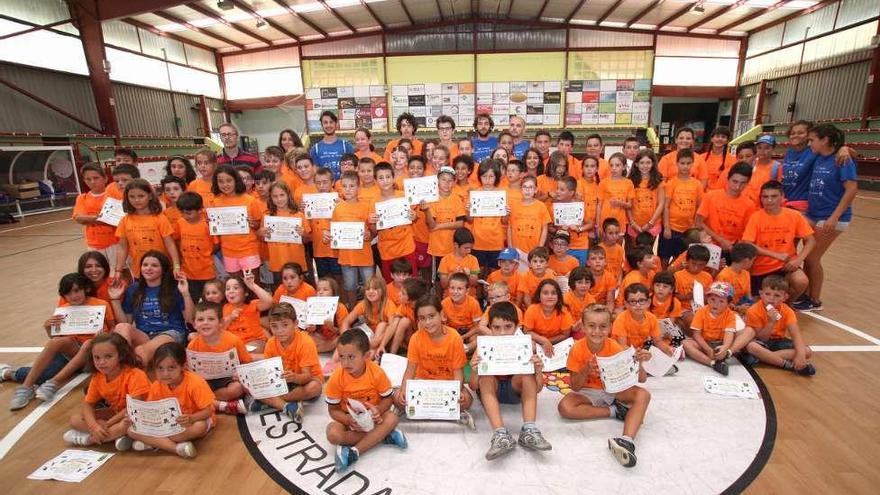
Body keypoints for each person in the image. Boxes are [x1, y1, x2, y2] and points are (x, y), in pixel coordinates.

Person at [558, 303, 651, 468]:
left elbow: (641, 379)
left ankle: (627, 441)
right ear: (583, 327)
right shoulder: (577, 349)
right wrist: (586, 370)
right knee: (565, 407)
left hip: (613, 389)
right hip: (588, 391)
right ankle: (615, 411)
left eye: (603, 327)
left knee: (643, 394)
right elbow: (575, 387)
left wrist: (639, 363)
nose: (597, 331)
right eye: (591, 326)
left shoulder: (616, 347)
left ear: (610, 327)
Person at [8, 273, 115, 410]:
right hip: (74, 352)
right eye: (68, 293)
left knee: (89, 344)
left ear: (85, 289)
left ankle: (53, 383)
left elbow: (112, 327)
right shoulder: (64, 310)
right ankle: (26, 387)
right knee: (56, 342)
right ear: (63, 295)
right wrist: (48, 328)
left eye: (77, 291)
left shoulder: (101, 304)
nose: (74, 296)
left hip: (94, 355)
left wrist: (105, 335)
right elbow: (56, 338)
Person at [468, 302, 551, 461]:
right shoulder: (483, 347)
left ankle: (529, 430)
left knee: (527, 374)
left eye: (508, 326)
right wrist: (474, 370)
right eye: (497, 327)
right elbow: (472, 385)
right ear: (490, 327)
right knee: (485, 377)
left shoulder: (525, 346)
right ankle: (500, 434)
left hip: (515, 391)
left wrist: (538, 370)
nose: (502, 333)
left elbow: (538, 387)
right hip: (492, 391)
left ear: (517, 326)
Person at [326, 330, 408, 473]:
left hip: (374, 417)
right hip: (350, 420)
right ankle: (383, 436)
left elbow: (388, 399)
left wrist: (377, 411)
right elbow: (332, 410)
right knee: (333, 434)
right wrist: (347, 419)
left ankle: (354, 452)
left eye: (351, 357)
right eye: (341, 357)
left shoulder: (376, 372)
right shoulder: (336, 378)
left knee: (393, 418)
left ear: (367, 356)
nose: (345, 363)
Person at [799, 124, 858, 311]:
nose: (810, 144)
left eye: (812, 140)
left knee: (812, 258)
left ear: (824, 140)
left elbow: (851, 189)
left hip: (831, 217)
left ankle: (814, 300)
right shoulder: (819, 157)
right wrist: (844, 147)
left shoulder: (842, 160)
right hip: (814, 214)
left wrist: (834, 216)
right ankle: (806, 294)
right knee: (807, 256)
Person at [395, 295, 475, 428]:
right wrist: (403, 390)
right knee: (397, 397)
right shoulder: (416, 338)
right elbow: (410, 370)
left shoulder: (454, 337)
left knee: (467, 400)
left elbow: (458, 373)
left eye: (431, 316)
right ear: (418, 320)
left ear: (441, 315)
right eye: (422, 318)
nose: (427, 322)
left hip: (447, 385)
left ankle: (436, 409)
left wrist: (457, 391)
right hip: (422, 384)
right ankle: (439, 410)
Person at [126, 342, 213, 457]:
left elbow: (208, 411)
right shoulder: (156, 385)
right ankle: (176, 448)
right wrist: (135, 417)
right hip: (168, 425)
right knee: (131, 430)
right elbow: (150, 409)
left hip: (193, 420)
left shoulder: (195, 383)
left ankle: (155, 443)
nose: (165, 374)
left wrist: (191, 418)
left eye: (171, 368)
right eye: (160, 368)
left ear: (183, 366)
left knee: (199, 427)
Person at [62, 333, 150, 448]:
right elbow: (87, 405)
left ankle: (89, 439)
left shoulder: (135, 375)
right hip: (118, 413)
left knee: (125, 424)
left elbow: (133, 408)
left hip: (141, 414)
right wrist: (94, 426)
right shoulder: (98, 377)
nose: (101, 362)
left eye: (108, 356)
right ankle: (113, 436)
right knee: (75, 419)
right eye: (97, 357)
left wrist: (107, 424)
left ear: (121, 355)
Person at [111, 250, 194, 364]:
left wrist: (185, 293)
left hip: (170, 333)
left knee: (140, 351)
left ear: (163, 270)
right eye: (145, 265)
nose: (148, 268)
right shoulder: (133, 289)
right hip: (145, 334)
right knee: (121, 327)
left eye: (154, 265)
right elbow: (126, 322)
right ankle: (121, 369)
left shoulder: (174, 287)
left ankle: (131, 375)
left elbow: (190, 319)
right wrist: (115, 299)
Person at [741, 181, 815, 301]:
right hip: (760, 268)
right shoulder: (756, 217)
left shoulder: (794, 216)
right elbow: (747, 244)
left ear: (782, 197)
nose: (769, 200)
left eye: (774, 196)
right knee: (759, 306)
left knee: (801, 281)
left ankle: (785, 305)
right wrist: (776, 255)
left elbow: (811, 240)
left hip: (786, 266)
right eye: (765, 197)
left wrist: (798, 259)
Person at [256, 303, 324, 420]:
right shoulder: (271, 343)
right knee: (253, 385)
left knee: (314, 387)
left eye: (285, 325)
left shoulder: (305, 342)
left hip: (304, 380)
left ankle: (270, 402)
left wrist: (295, 377)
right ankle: (287, 406)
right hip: (282, 382)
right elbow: (268, 372)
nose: (280, 331)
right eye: (274, 326)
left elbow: (307, 376)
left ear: (296, 324)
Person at [186, 301, 252, 415]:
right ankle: (222, 405)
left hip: (227, 379)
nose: (205, 323)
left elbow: (247, 362)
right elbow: (191, 371)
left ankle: (207, 402)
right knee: (190, 390)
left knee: (237, 388)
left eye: (211, 319)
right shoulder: (193, 345)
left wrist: (239, 374)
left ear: (221, 322)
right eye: (200, 320)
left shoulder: (233, 340)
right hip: (205, 382)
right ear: (194, 324)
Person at [743, 276, 816, 375]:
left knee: (807, 351)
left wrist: (801, 355)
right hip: (760, 342)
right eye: (767, 294)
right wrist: (771, 322)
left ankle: (765, 358)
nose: (771, 298)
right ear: (761, 294)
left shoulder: (787, 311)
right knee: (752, 346)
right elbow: (762, 338)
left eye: (777, 295)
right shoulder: (753, 310)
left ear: (785, 297)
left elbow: (796, 335)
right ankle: (787, 365)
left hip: (778, 341)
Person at [682, 282, 755, 376]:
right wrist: (708, 349)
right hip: (705, 343)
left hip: (721, 343)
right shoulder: (701, 312)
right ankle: (712, 363)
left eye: (721, 301)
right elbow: (697, 335)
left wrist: (725, 347)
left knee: (750, 331)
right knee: (685, 343)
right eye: (712, 299)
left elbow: (729, 333)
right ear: (707, 299)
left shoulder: (730, 314)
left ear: (728, 303)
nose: (716, 304)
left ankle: (728, 353)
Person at [114, 178, 180, 279]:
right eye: (132, 196)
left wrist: (176, 266)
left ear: (149, 196)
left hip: (162, 271)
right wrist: (118, 270)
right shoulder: (125, 220)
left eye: (141, 196)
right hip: (139, 271)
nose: (136, 200)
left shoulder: (160, 218)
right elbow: (123, 247)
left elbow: (170, 244)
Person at [329, 171, 376, 308]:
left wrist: (370, 235)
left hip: (364, 255)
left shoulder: (366, 206)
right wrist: (330, 236)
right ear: (340, 188)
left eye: (352, 186)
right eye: (345, 186)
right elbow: (334, 232)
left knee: (370, 286)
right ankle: (353, 310)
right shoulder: (338, 208)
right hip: (346, 257)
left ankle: (370, 310)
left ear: (358, 187)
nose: (348, 189)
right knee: (349, 286)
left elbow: (373, 230)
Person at [209, 164, 264, 276]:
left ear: (236, 180)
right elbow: (215, 227)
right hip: (228, 252)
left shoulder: (250, 200)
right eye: (221, 181)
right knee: (236, 286)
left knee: (253, 285)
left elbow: (258, 224)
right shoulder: (215, 202)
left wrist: (253, 223)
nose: (225, 184)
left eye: (229, 180)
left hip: (249, 249)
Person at [696, 162, 756, 253]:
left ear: (748, 183)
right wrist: (720, 240)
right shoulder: (711, 196)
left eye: (742, 183)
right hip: (709, 247)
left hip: (732, 249)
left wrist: (734, 246)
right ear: (728, 179)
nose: (737, 187)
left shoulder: (750, 205)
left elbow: (747, 233)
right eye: (735, 181)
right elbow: (698, 222)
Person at [371, 163, 417, 281]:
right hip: (387, 250)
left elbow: (413, 217)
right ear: (375, 180)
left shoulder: (403, 196)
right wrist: (372, 222)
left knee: (411, 283)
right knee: (391, 283)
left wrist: (413, 216)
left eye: (388, 177)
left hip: (406, 246)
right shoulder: (373, 202)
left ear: (393, 178)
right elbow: (374, 231)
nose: (385, 181)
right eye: (381, 178)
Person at [660, 149, 703, 264]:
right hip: (672, 228)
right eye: (682, 163)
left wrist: (695, 226)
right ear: (677, 164)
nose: (685, 166)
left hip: (688, 230)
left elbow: (699, 207)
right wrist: (667, 227)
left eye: (688, 163)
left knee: (682, 258)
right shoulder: (671, 183)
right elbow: (666, 207)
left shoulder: (697, 184)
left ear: (693, 164)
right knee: (664, 257)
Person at [73, 163, 119, 269]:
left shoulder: (113, 196)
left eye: (96, 178)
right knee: (99, 272)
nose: (92, 182)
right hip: (94, 244)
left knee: (121, 270)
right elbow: (78, 218)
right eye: (88, 179)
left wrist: (89, 219)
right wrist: (105, 218)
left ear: (105, 178)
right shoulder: (82, 198)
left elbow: (116, 219)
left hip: (115, 242)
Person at [340, 274, 397, 351]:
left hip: (384, 338)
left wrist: (376, 341)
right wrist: (346, 338)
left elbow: (392, 327)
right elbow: (346, 321)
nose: (371, 291)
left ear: (382, 290)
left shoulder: (389, 304)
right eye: (368, 289)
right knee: (345, 340)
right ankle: (334, 361)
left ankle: (365, 360)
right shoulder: (363, 304)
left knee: (382, 325)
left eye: (375, 289)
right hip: (369, 335)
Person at [223, 271, 273, 355]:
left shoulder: (252, 304)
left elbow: (269, 301)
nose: (231, 291)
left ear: (245, 292)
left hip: (255, 341)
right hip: (234, 344)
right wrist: (230, 317)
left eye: (235, 288)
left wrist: (252, 285)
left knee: (247, 353)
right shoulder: (225, 307)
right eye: (228, 289)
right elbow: (221, 328)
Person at [425, 166, 467, 263]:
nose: (447, 183)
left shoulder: (457, 199)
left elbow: (460, 224)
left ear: (454, 182)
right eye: (443, 179)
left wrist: (438, 226)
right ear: (437, 181)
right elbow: (431, 225)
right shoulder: (431, 199)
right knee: (437, 277)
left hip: (453, 248)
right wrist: (427, 210)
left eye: (450, 180)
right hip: (437, 248)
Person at [523, 279, 574, 354]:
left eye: (553, 293)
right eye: (545, 293)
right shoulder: (532, 309)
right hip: (537, 342)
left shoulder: (564, 312)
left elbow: (565, 335)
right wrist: (543, 341)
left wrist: (548, 342)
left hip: (557, 343)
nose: (550, 296)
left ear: (558, 296)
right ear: (539, 296)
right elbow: (527, 331)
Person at [508, 175, 550, 255]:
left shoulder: (541, 206)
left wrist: (539, 248)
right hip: (516, 250)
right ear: (521, 189)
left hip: (534, 250)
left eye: (531, 187)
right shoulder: (513, 205)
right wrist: (510, 247)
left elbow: (544, 228)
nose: (527, 190)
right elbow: (510, 227)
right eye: (524, 187)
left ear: (536, 190)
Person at [674, 244, 714, 328]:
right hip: (684, 308)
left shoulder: (707, 277)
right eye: (693, 263)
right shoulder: (678, 275)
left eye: (701, 265)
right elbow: (674, 296)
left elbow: (710, 298)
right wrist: (687, 296)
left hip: (703, 308)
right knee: (693, 321)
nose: (696, 267)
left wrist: (701, 295)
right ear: (687, 261)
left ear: (706, 264)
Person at [628, 149, 665, 240]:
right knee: (636, 251)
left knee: (648, 251)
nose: (645, 166)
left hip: (653, 224)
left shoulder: (659, 182)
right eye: (642, 163)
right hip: (634, 224)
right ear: (636, 164)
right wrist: (632, 223)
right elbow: (627, 205)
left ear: (653, 164)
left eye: (648, 162)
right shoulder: (630, 182)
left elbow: (661, 204)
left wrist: (650, 223)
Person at [441, 272, 482, 351]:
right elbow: (443, 325)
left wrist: (463, 337)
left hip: (470, 332)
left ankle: (466, 349)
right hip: (452, 331)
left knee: (477, 338)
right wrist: (454, 336)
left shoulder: (473, 303)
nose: (455, 292)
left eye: (459, 289)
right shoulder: (444, 303)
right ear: (448, 289)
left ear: (467, 291)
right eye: (452, 288)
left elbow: (477, 326)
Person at [310, 111, 355, 180]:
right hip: (325, 188)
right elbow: (315, 173)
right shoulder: (315, 149)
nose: (328, 125)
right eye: (325, 123)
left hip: (344, 187)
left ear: (336, 124)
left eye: (331, 122)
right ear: (321, 125)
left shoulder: (346, 146)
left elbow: (353, 169)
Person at [597, 153, 634, 235]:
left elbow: (630, 205)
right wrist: (598, 224)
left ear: (624, 167)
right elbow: (599, 205)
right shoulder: (603, 182)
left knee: (618, 246)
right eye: (611, 165)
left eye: (617, 165)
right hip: (604, 221)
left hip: (620, 221)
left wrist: (620, 203)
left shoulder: (628, 183)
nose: (614, 168)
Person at [716, 242, 758, 311]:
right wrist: (738, 308)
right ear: (746, 261)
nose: (753, 263)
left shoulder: (746, 274)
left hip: (742, 307)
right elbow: (719, 300)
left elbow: (748, 296)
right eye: (753, 260)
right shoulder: (723, 276)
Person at [745, 135, 784, 207]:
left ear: (773, 149)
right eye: (759, 148)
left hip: (764, 207)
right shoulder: (751, 163)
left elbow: (778, 191)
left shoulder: (777, 167)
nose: (762, 151)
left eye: (767, 148)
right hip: (747, 205)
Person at [702, 126, 736, 191]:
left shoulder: (732, 160)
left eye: (723, 137)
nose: (720, 139)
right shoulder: (701, 158)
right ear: (712, 139)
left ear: (727, 141)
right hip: (703, 195)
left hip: (721, 195)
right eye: (717, 136)